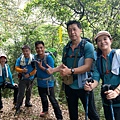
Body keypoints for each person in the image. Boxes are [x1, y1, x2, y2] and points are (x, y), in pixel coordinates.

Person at [47, 20, 100, 120]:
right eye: (69, 30)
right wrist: (53, 70)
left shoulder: (87, 46)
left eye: (74, 29)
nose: (72, 32)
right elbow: (64, 65)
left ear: (80, 30)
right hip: (70, 86)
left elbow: (87, 66)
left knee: (91, 113)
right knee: (73, 113)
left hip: (85, 85)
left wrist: (70, 71)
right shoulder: (66, 48)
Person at [84, 31, 120, 120]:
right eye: (99, 40)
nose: (102, 42)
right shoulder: (98, 61)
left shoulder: (118, 55)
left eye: (105, 39)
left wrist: (116, 91)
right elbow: (96, 79)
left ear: (110, 41)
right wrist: (90, 86)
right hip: (107, 99)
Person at [34, 41, 63, 120]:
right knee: (43, 98)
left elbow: (50, 72)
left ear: (44, 48)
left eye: (41, 48)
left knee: (53, 101)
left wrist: (41, 67)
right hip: (40, 83)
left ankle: (59, 117)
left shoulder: (49, 58)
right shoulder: (35, 58)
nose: (39, 50)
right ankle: (45, 110)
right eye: (37, 48)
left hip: (48, 83)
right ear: (35, 49)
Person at [15, 45, 36, 113]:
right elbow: (16, 68)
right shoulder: (20, 59)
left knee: (29, 91)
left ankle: (27, 102)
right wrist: (22, 70)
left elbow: (35, 69)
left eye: (27, 51)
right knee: (21, 93)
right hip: (22, 78)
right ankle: (18, 107)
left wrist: (29, 74)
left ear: (30, 51)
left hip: (31, 78)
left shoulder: (33, 58)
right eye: (24, 51)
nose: (25, 52)